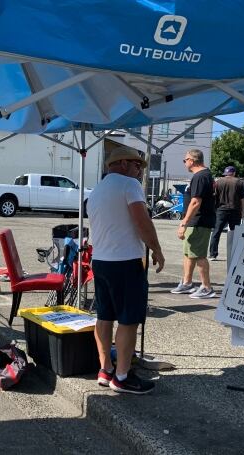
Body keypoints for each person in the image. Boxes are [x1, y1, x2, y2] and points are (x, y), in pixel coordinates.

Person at [87, 148, 165, 394]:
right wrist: (156, 249)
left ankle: (105, 368)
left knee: (104, 316)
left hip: (101, 260)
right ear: (121, 163)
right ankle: (122, 376)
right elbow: (142, 221)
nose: (140, 170)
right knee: (129, 320)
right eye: (136, 164)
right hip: (125, 260)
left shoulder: (97, 190)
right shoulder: (129, 185)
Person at [172, 149, 216, 299]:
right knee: (188, 253)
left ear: (192, 160)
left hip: (199, 221)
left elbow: (196, 201)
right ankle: (187, 282)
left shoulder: (200, 176)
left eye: (185, 160)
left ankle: (206, 287)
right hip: (195, 221)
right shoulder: (204, 175)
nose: (185, 163)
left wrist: (184, 222)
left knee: (198, 255)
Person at [209, 166, 244, 260]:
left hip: (221, 210)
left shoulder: (218, 182)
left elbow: (214, 197)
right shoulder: (239, 182)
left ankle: (213, 254)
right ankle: (235, 254)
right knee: (235, 233)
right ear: (234, 173)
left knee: (216, 232)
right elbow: (243, 199)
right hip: (235, 210)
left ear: (225, 173)